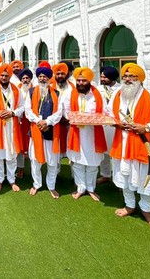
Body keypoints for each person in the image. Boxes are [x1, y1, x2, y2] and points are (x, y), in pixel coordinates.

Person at [108, 63, 150, 228]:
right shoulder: (117, 95)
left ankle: (146, 209)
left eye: (132, 76)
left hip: (145, 145)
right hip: (123, 143)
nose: (127, 80)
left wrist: (146, 127)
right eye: (125, 76)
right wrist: (116, 123)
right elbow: (108, 113)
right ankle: (130, 205)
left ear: (139, 79)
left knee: (147, 178)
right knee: (125, 176)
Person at [63, 67, 107, 201]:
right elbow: (66, 110)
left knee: (92, 164)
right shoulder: (70, 94)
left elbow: (105, 112)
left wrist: (92, 119)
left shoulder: (98, 95)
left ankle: (91, 189)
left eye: (84, 80)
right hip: (76, 133)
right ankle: (80, 188)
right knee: (77, 163)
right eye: (79, 80)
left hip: (93, 134)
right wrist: (74, 117)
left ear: (89, 81)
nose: (81, 83)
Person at [23, 66, 62, 198]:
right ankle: (36, 184)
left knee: (52, 162)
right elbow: (27, 110)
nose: (42, 78)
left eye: (44, 76)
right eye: (40, 76)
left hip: (51, 131)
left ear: (49, 78)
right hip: (36, 130)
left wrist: (47, 122)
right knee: (35, 161)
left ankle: (51, 186)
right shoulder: (31, 92)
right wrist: (38, 121)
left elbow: (59, 113)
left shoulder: (56, 94)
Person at [0, 63, 24, 192]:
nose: (3, 77)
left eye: (6, 75)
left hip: (11, 126)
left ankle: (12, 180)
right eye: (1, 75)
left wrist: (13, 113)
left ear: (10, 76)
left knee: (12, 154)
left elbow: (22, 107)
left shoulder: (16, 90)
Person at [98, 66, 120, 184]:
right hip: (102, 125)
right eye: (101, 76)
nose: (102, 79)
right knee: (104, 151)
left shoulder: (121, 89)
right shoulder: (98, 89)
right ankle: (105, 174)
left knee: (117, 153)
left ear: (111, 78)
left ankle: (118, 179)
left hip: (116, 126)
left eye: (104, 77)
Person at [16, 68, 33, 178]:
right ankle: (21, 168)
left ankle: (33, 169)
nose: (25, 80)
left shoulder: (35, 90)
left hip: (32, 122)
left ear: (30, 79)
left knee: (32, 146)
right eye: (23, 78)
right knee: (20, 146)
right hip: (20, 121)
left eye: (27, 78)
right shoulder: (17, 91)